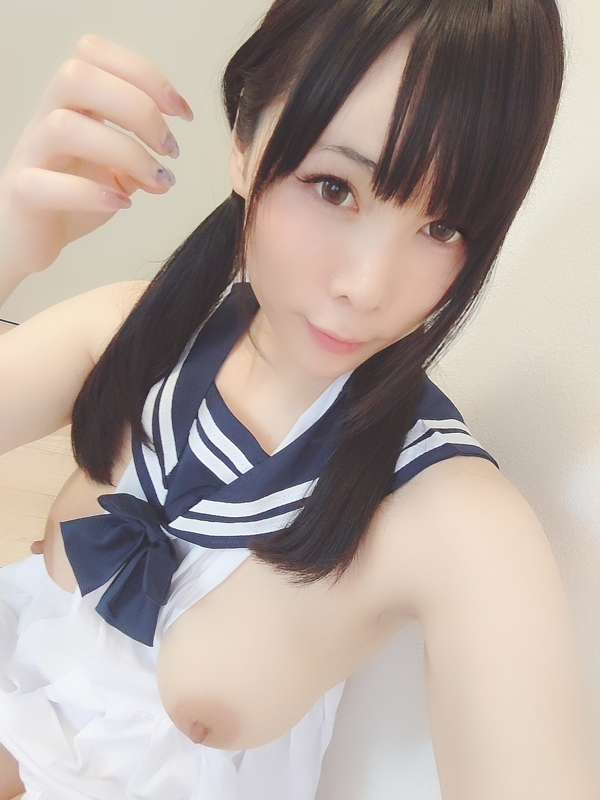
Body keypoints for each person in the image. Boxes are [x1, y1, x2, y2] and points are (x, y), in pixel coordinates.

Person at [0, 4, 597, 799]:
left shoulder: (451, 515)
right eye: (333, 187)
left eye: (446, 226)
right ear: (244, 147)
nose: (368, 287)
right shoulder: (136, 335)